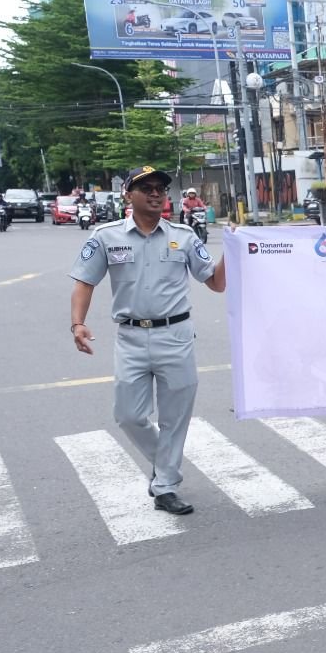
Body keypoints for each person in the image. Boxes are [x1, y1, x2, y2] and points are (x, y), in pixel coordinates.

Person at [69, 165, 227, 515]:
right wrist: (77, 324)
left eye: (160, 189)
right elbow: (85, 281)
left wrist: (231, 251)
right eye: (147, 188)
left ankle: (165, 485)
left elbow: (215, 283)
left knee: (175, 416)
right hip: (131, 337)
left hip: (176, 336)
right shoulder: (106, 236)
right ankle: (166, 465)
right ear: (129, 194)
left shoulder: (184, 236)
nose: (156, 194)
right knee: (128, 415)